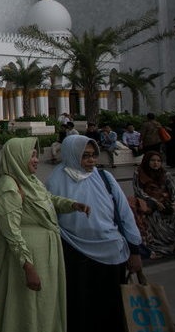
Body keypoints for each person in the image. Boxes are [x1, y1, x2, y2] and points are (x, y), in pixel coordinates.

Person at [0, 137, 90, 332]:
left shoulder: (30, 180)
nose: (36, 159)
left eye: (36, 155)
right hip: (26, 259)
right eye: (31, 155)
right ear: (17, 157)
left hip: (44, 256)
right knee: (26, 307)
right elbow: (11, 231)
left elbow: (47, 199)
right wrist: (28, 266)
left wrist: (71, 205)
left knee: (44, 305)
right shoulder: (7, 187)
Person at [46, 136, 144, 332]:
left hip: (111, 250)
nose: (91, 161)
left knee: (111, 306)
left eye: (93, 155)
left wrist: (135, 250)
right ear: (72, 155)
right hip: (74, 253)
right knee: (80, 306)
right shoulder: (55, 182)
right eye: (85, 156)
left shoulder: (105, 178)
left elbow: (124, 214)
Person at [133, 151, 175, 258]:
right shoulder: (139, 173)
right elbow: (138, 191)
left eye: (158, 161)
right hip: (148, 204)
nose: (156, 163)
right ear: (147, 161)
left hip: (164, 203)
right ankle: (158, 247)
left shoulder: (165, 174)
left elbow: (174, 192)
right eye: (153, 160)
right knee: (154, 216)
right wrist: (154, 201)